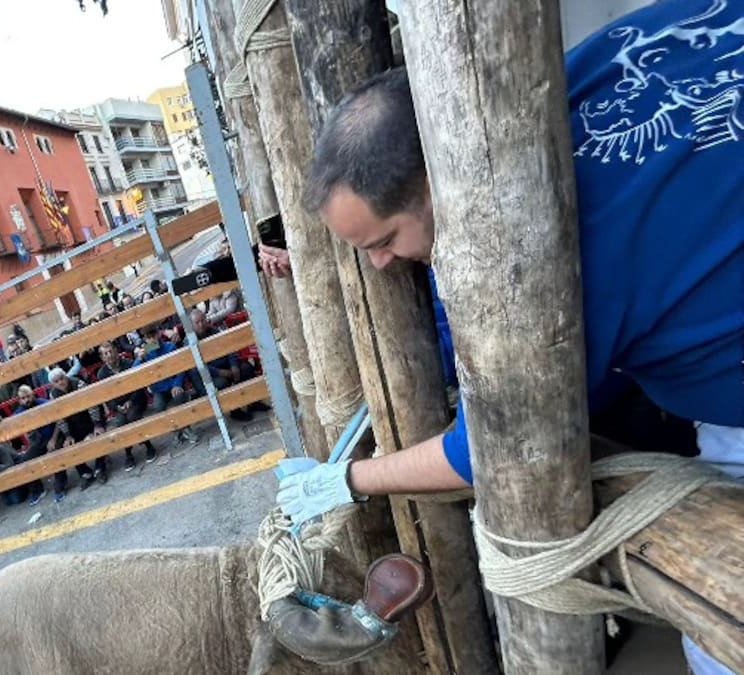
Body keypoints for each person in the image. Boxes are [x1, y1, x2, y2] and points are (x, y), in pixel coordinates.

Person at [278, 3, 743, 673]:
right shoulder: (563, 80)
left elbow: (490, 448)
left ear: (447, 185)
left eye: (383, 241)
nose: (379, 265)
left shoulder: (542, 254)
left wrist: (349, 479)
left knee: (719, 636)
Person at [95, 341, 158, 470]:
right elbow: (107, 397)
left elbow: (139, 386)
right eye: (106, 353)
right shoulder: (102, 374)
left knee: (132, 417)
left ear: (116, 351)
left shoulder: (129, 363)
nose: (110, 355)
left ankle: (148, 445)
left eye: (111, 351)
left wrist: (130, 401)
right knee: (120, 422)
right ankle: (128, 454)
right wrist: (117, 407)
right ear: (102, 357)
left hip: (136, 400)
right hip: (119, 406)